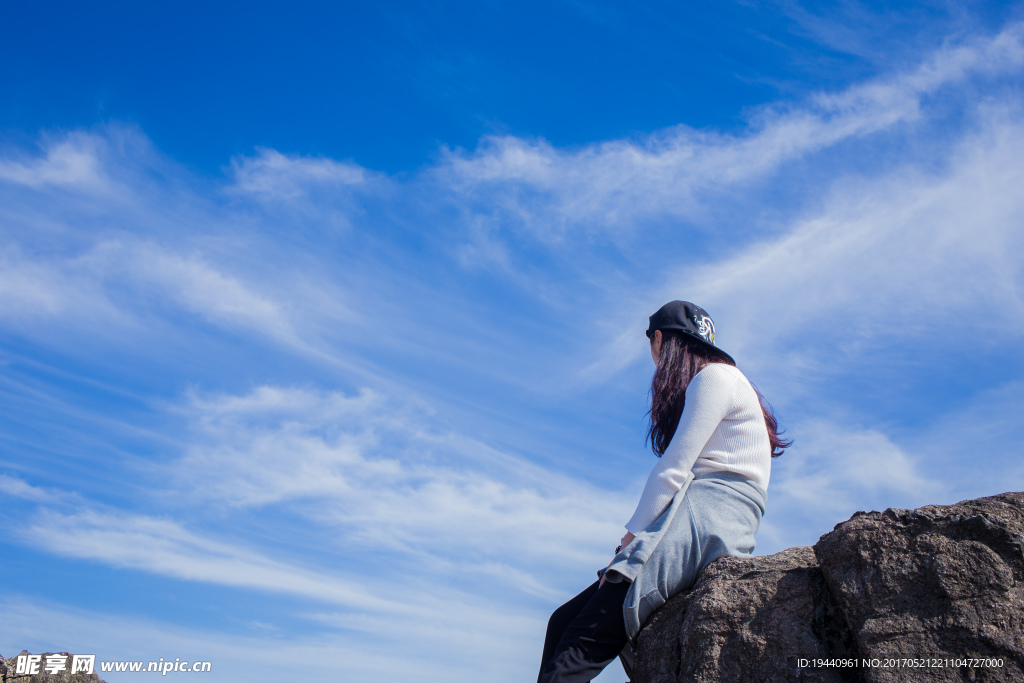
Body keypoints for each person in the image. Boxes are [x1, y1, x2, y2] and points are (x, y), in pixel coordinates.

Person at [536, 301, 790, 683]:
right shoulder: (729, 380)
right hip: (717, 519)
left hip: (706, 518)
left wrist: (630, 540)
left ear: (659, 339)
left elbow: (673, 469)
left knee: (578, 647)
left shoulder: (715, 378)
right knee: (562, 622)